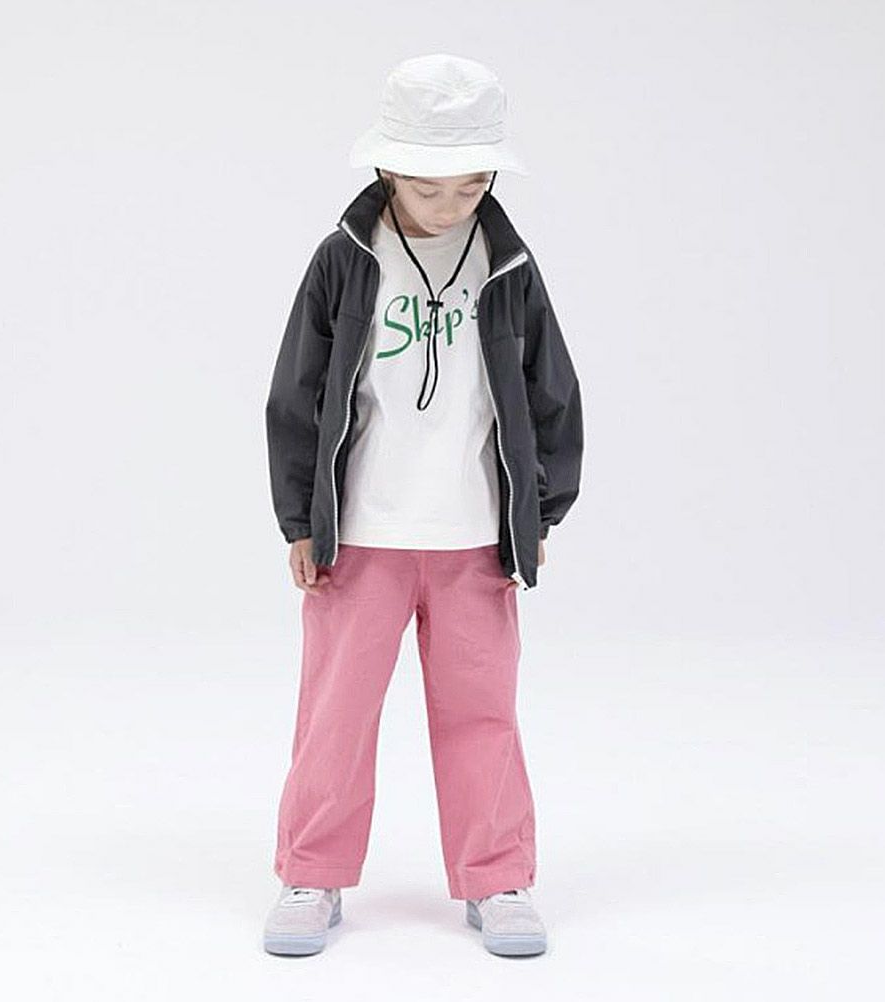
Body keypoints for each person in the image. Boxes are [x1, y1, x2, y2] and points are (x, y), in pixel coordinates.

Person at [262, 53, 584, 957]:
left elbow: (552, 391)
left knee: (483, 714)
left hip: (475, 537)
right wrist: (300, 521)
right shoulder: (344, 259)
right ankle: (311, 872)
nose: (450, 206)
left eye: (471, 186)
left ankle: (498, 876)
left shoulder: (507, 263)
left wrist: (538, 513)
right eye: (428, 187)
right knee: (334, 715)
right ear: (387, 169)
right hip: (359, 536)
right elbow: (296, 395)